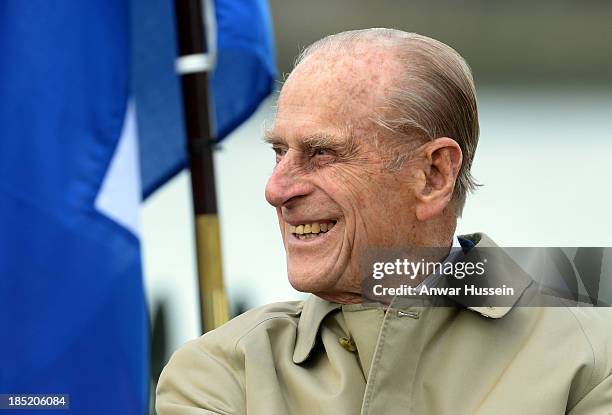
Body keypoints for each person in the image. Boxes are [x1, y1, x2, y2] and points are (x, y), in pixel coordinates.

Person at [156, 29, 612, 414]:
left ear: (433, 175)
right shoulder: (221, 370)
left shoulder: (593, 353)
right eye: (279, 152)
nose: (276, 190)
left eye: (321, 153)